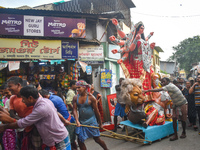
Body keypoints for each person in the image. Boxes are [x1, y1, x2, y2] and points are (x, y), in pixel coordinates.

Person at [0, 85, 71, 150]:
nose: (22, 101)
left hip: (58, 140)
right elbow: (56, 112)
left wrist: (5, 126)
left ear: (30, 98)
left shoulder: (41, 108)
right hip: (54, 139)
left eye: (23, 99)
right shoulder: (45, 101)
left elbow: (23, 123)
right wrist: (64, 121)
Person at [6, 76, 43, 149]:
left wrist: (25, 120)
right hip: (22, 128)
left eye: (10, 86)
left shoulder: (32, 94)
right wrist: (25, 121)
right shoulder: (13, 98)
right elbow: (12, 114)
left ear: (18, 85)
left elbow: (41, 108)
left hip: (35, 128)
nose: (9, 89)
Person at [73, 80, 108, 150]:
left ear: (84, 87)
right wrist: (77, 121)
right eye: (76, 88)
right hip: (81, 122)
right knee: (80, 141)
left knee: (97, 139)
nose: (77, 89)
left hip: (92, 122)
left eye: (79, 87)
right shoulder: (75, 97)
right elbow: (74, 110)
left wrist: (100, 124)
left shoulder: (91, 98)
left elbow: (97, 112)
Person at [2, 86, 16, 150]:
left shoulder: (17, 100)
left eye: (7, 92)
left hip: (15, 127)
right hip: (9, 127)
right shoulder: (7, 101)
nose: (6, 95)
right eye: (5, 93)